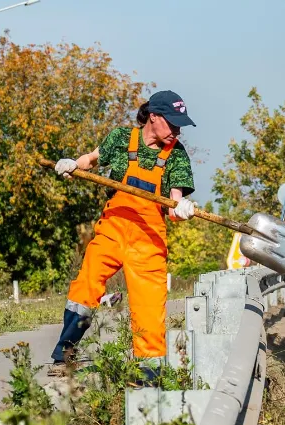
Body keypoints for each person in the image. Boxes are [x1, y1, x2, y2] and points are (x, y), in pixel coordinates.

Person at [49, 90, 198, 375]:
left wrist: (181, 209)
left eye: (180, 125)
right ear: (153, 117)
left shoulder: (176, 155)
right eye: (173, 122)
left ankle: (149, 377)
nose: (178, 130)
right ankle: (64, 355)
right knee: (85, 287)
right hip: (113, 230)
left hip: (149, 243)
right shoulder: (121, 139)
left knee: (150, 309)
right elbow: (92, 160)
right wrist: (73, 165)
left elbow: (173, 202)